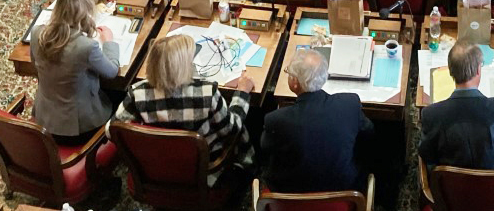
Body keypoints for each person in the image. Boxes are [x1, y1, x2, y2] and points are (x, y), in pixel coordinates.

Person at [113, 33, 254, 179]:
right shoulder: (206, 92)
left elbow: (113, 131)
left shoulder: (137, 93)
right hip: (202, 170)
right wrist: (242, 93)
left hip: (155, 169)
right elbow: (232, 129)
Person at [261, 48, 373, 193]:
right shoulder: (349, 104)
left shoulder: (276, 120)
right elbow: (369, 132)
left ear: (294, 83)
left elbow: (266, 148)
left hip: (290, 194)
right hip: (344, 188)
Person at [421, 42, 494, 170]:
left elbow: (427, 155)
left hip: (451, 182)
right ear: (478, 70)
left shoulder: (431, 114)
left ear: (450, 71)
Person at [31, 0, 120, 143]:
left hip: (45, 119)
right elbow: (112, 71)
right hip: (78, 129)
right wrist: (109, 42)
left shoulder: (37, 33)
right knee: (121, 92)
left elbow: (34, 67)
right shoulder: (86, 46)